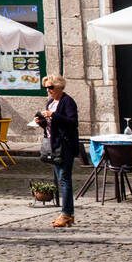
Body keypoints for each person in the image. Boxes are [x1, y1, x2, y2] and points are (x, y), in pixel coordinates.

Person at [36, 74, 80, 229]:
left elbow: (72, 122)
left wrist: (54, 115)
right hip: (54, 144)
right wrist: (42, 122)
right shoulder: (50, 102)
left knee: (64, 179)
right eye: (46, 88)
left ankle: (67, 212)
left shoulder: (67, 102)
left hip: (65, 145)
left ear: (59, 87)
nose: (48, 91)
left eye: (51, 87)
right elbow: (52, 125)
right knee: (60, 178)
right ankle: (66, 214)